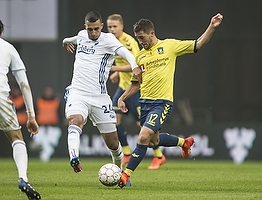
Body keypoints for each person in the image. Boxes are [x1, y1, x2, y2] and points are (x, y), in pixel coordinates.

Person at [117, 13, 224, 187]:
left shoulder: (170, 46)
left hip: (162, 103)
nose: (140, 42)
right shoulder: (140, 57)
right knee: (154, 142)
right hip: (144, 104)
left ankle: (125, 175)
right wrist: (122, 98)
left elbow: (199, 44)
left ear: (152, 33)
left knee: (143, 137)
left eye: (142, 38)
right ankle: (184, 142)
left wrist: (212, 26)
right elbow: (136, 84)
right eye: (137, 38)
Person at [62, 11, 142, 174]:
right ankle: (74, 157)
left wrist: (134, 67)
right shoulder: (82, 35)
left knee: (113, 143)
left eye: (96, 29)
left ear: (101, 27)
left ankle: (118, 172)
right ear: (85, 27)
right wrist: (65, 42)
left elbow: (127, 54)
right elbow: (72, 39)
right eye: (90, 29)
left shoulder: (108, 40)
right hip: (78, 92)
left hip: (100, 97)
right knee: (75, 120)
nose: (93, 33)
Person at [0, 14, 41, 199]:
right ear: (0, 33)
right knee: (17, 138)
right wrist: (31, 116)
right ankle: (23, 178)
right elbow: (23, 83)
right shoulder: (8, 47)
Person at [107, 14, 166, 169]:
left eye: (114, 27)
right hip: (122, 87)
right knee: (115, 121)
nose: (111, 30)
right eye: (109, 27)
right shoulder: (112, 41)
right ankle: (126, 153)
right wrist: (117, 73)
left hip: (135, 89)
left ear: (121, 27)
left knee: (143, 126)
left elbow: (136, 66)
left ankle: (158, 155)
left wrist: (115, 68)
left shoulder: (129, 42)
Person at [32, 85, 62, 162]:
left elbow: (60, 114)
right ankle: (43, 156)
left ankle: (43, 157)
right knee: (41, 142)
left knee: (50, 143)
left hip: (53, 127)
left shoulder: (56, 101)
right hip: (40, 127)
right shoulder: (39, 101)